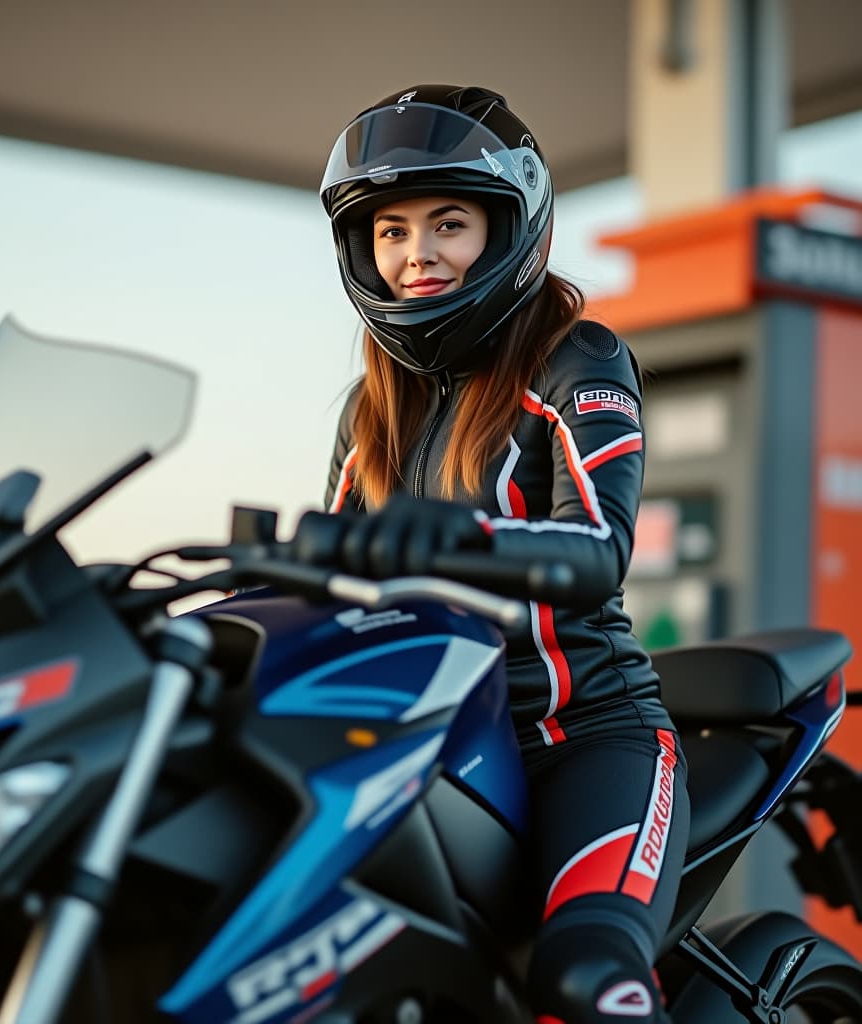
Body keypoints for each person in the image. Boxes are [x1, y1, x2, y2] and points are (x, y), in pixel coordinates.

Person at [296, 84, 690, 1024]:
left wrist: (459, 538)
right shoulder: (369, 412)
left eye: (448, 222)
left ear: (508, 227)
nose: (416, 253)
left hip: (582, 739)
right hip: (430, 742)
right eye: (390, 230)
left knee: (587, 985)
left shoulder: (575, 359)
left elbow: (599, 548)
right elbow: (322, 586)